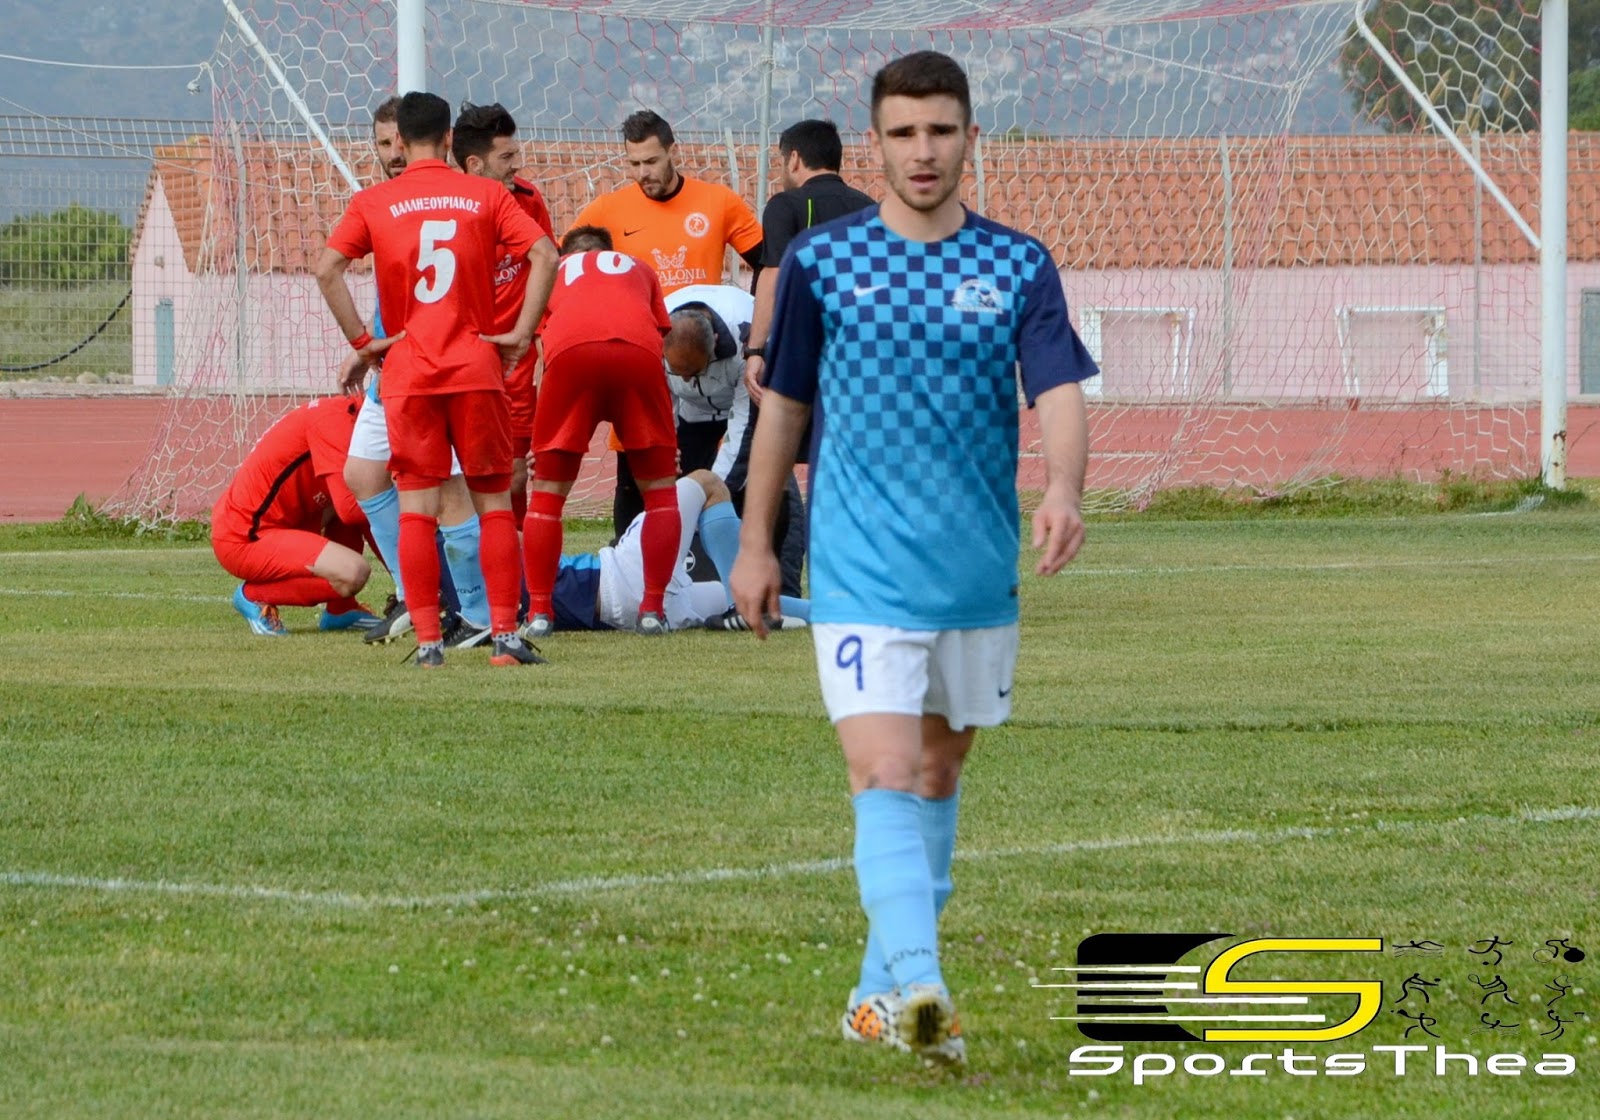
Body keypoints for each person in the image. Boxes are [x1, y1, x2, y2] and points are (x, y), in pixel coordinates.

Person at [729, 51, 1095, 1064]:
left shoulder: (1017, 263)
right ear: (876, 144)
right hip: (859, 569)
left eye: (940, 130)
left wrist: (1064, 488)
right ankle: (926, 998)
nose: (923, 151)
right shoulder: (823, 262)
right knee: (882, 767)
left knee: (937, 771)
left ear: (970, 136)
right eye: (903, 133)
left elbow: (1057, 389)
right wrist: (756, 542)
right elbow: (784, 409)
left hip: (972, 571)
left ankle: (871, 997)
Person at [316, 91, 557, 669]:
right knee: (493, 505)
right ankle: (504, 637)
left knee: (417, 511)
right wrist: (521, 335)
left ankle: (428, 644)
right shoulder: (486, 194)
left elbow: (326, 269)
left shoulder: (373, 201)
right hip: (476, 369)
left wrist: (363, 343)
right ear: (450, 138)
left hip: (410, 373)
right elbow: (546, 256)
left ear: (400, 141)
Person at [338, 96, 491, 650]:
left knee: (448, 493)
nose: (393, 153)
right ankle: (414, 594)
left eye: (396, 142)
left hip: (438, 368)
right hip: (395, 369)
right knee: (362, 474)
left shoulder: (452, 197)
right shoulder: (384, 202)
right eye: (382, 145)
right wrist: (367, 345)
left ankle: (474, 612)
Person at [522, 225, 681, 639]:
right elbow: (657, 341)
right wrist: (665, 441)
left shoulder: (551, 271)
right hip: (639, 355)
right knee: (661, 494)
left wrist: (543, 439)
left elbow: (543, 352)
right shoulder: (639, 268)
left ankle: (539, 612)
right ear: (610, 252)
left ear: (565, 254)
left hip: (571, 355)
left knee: (547, 496)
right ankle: (652, 609)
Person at [451, 101, 557, 523]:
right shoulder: (445, 210)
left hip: (515, 360)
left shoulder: (528, 200)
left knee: (513, 474)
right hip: (461, 361)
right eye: (506, 156)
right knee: (457, 477)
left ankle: (514, 558)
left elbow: (548, 267)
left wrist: (543, 332)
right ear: (475, 164)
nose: (517, 164)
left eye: (516, 153)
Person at [549, 469, 807, 633]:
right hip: (620, 580)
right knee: (707, 483)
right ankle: (742, 608)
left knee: (722, 594)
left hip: (627, 616)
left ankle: (827, 611)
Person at [211, 396, 377, 635]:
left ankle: (341, 609)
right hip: (244, 536)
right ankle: (252, 595)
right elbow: (356, 511)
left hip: (284, 524)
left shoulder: (356, 420)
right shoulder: (335, 422)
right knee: (353, 572)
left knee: (358, 493)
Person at [742, 118, 875, 405]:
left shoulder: (786, 204)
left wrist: (755, 351)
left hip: (801, 350)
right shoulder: (869, 208)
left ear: (793, 159)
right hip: (859, 351)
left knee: (776, 431)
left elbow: (773, 275)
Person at [573, 109, 764, 295]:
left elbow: (768, 264)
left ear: (673, 152)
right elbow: (559, 262)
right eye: (635, 164)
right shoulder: (606, 209)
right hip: (641, 318)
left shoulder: (719, 201)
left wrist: (755, 311)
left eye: (651, 162)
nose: (643, 173)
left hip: (699, 316)